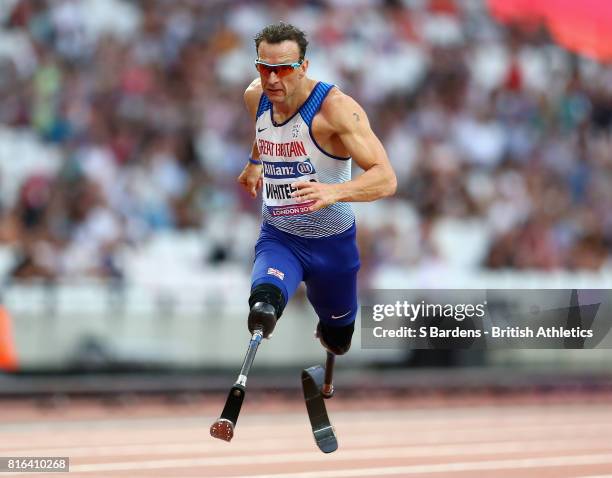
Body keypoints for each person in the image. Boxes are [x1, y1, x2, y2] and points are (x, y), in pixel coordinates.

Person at [238, 22, 396, 356]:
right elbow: (263, 131)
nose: (272, 80)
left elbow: (386, 178)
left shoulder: (335, 109)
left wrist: (332, 192)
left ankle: (331, 329)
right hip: (280, 236)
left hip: (332, 245)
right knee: (262, 309)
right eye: (264, 68)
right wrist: (254, 163)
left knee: (338, 341)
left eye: (283, 69)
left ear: (304, 67)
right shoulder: (256, 96)